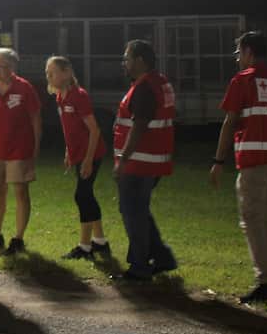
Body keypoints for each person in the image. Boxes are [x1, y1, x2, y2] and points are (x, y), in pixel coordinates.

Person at [210, 31, 267, 303]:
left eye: (238, 53)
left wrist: (218, 161)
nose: (237, 59)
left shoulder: (243, 80)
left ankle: (266, 281)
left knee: (253, 221)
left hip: (254, 161)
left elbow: (229, 122)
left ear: (248, 52)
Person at [111, 39, 179, 283]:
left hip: (139, 162)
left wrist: (123, 159)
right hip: (154, 160)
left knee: (133, 213)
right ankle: (162, 256)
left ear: (140, 60)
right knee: (139, 210)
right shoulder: (160, 82)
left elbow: (138, 126)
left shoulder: (144, 88)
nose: (124, 63)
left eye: (127, 58)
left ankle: (139, 266)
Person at [45, 56, 111, 260]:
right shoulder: (60, 96)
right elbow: (70, 128)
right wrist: (68, 150)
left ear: (66, 72)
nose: (49, 76)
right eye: (47, 73)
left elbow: (94, 130)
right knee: (86, 195)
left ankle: (85, 246)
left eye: (53, 72)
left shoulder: (79, 96)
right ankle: (100, 241)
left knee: (81, 195)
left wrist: (88, 160)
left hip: (91, 153)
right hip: (79, 154)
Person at [0, 47, 41, 256]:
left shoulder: (24, 88)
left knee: (20, 191)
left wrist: (36, 147)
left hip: (20, 148)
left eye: (1, 67)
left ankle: (18, 238)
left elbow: (35, 119)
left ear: (12, 67)